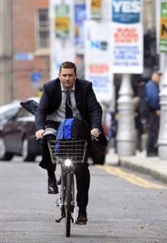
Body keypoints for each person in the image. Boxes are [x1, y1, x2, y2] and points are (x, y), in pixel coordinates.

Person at [35, 61, 106, 225]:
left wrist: (95, 127)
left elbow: (95, 108)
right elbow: (41, 110)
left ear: (76, 76)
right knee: (47, 139)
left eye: (70, 75)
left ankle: (82, 210)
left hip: (78, 127)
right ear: (59, 75)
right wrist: (40, 128)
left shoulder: (85, 87)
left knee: (81, 169)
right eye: (64, 75)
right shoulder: (50, 87)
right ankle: (51, 177)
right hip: (55, 124)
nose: (67, 79)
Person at [144, 70, 162, 157]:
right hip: (152, 111)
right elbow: (152, 98)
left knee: (154, 130)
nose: (159, 78)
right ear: (153, 76)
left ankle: (152, 149)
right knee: (152, 131)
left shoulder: (154, 85)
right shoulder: (151, 86)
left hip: (153, 110)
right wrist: (157, 108)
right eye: (158, 76)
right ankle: (150, 150)